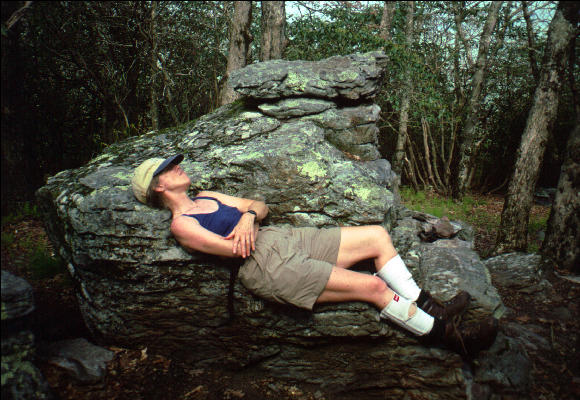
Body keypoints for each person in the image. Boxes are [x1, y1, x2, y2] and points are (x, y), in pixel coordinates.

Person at [132, 154, 498, 356]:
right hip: (265, 265)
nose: (178, 166)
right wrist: (248, 224)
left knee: (376, 235)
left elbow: (260, 206)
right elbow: (235, 248)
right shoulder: (181, 224)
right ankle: (450, 337)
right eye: (169, 168)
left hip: (284, 238)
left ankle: (428, 304)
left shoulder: (209, 196)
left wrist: (247, 216)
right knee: (372, 288)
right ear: (159, 186)